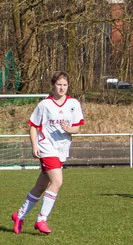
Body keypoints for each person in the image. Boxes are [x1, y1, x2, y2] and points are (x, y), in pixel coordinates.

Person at [11, 72, 84, 235]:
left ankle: (19, 215)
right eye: (59, 84)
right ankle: (41, 220)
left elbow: (78, 128)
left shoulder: (74, 103)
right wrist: (34, 145)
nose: (62, 87)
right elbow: (33, 125)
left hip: (62, 150)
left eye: (65, 85)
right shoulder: (45, 105)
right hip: (46, 147)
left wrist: (69, 129)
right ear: (53, 85)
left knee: (41, 186)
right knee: (57, 181)